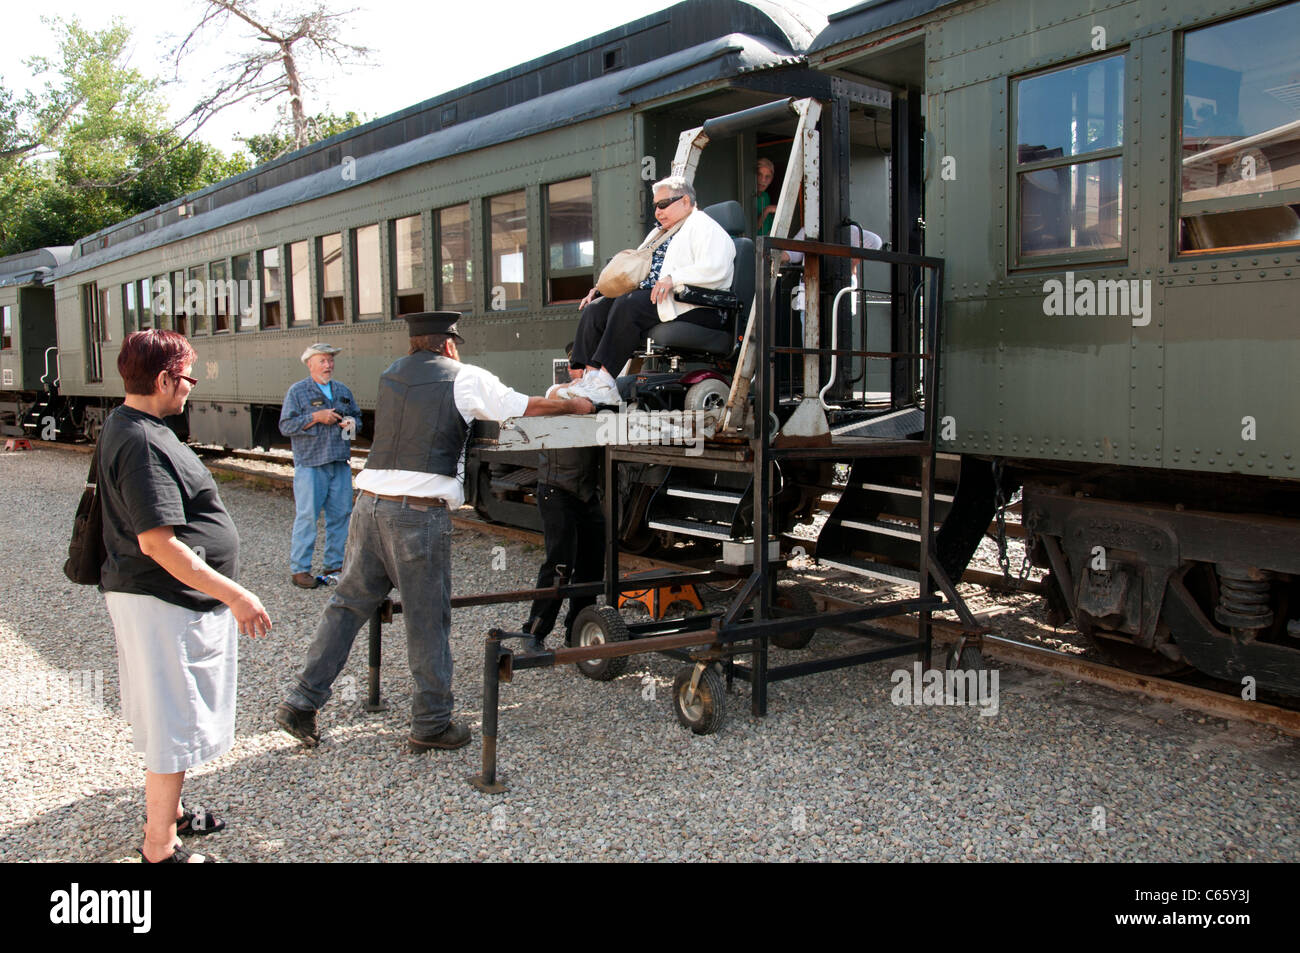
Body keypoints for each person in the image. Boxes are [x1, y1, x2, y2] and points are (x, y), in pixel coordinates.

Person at [275, 312, 594, 752]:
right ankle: (431, 723)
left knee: (347, 606)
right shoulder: (463, 377)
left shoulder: (391, 374)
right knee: (428, 618)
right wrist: (575, 404)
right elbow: (524, 407)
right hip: (416, 514)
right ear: (447, 344)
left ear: (413, 344)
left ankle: (301, 702)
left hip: (368, 505)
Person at [98, 329, 272, 863]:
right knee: (174, 721)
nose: (190, 388)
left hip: (166, 602)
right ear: (162, 379)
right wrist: (237, 595)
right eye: (187, 377)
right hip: (163, 602)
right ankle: (159, 848)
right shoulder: (144, 443)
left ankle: (168, 814)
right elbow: (159, 543)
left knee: (175, 715)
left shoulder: (133, 426)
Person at [563, 175, 735, 406]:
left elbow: (716, 269)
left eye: (663, 205)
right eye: (655, 206)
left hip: (698, 304)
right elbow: (638, 269)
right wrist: (602, 289)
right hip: (656, 297)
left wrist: (674, 278)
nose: (658, 212)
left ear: (685, 200)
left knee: (629, 304)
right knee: (596, 308)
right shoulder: (659, 233)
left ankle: (605, 382)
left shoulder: (706, 228)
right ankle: (590, 378)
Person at [522, 347, 604, 650]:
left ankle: (577, 632)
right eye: (576, 366)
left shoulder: (598, 393)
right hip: (557, 490)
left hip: (585, 492)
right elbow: (559, 394)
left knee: (591, 565)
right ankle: (535, 632)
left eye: (586, 367)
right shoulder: (558, 392)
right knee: (559, 565)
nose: (579, 371)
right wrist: (587, 391)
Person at [279, 343, 360, 589]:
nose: (328, 365)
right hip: (311, 464)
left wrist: (351, 424)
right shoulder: (298, 392)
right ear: (309, 364)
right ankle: (300, 569)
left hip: (339, 463)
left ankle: (334, 565)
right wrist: (316, 417)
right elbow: (285, 426)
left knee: (341, 515)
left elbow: (358, 419)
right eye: (322, 361)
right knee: (307, 516)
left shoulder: (343, 390)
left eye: (330, 360)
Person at [756, 157, 776, 236]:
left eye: (767, 177)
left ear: (771, 179)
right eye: (759, 175)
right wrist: (767, 210)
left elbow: (768, 227)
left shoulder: (765, 196)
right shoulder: (748, 195)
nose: (763, 180)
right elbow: (753, 229)